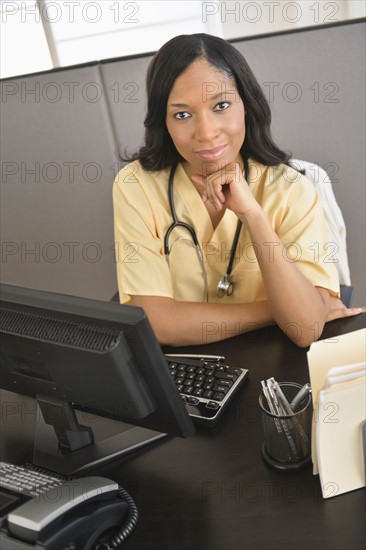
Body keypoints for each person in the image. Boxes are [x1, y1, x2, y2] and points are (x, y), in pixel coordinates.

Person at [112, 33, 362, 347]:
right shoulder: (137, 185)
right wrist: (277, 311)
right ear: (163, 121)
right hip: (187, 374)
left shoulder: (291, 188)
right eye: (182, 114)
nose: (206, 132)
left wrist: (254, 215)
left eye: (221, 105)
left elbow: (304, 330)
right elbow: (158, 324)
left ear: (247, 103)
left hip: (276, 365)